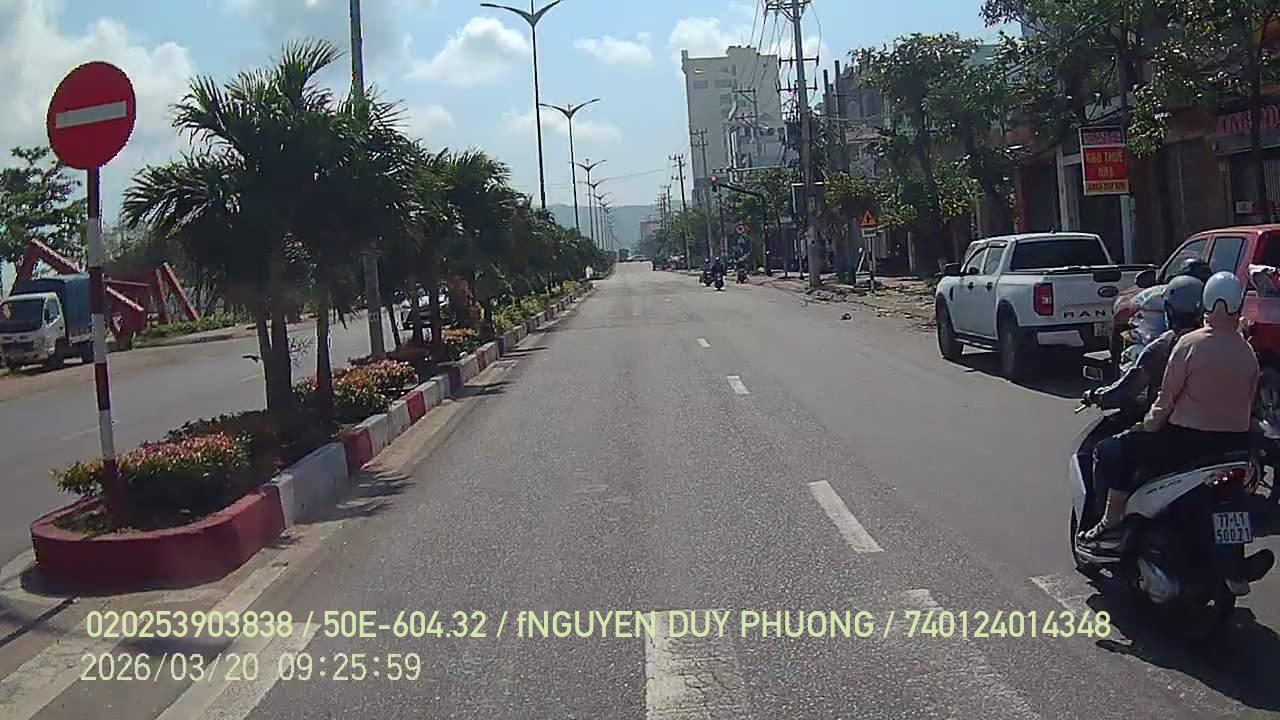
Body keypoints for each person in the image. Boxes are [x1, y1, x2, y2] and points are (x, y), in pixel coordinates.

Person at [1079, 271, 1260, 556]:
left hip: (1185, 441)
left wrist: (1147, 426)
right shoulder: (1246, 352)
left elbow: (1165, 399)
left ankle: (1111, 523)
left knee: (1111, 450)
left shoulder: (1188, 345)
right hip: (1234, 445)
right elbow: (1249, 401)